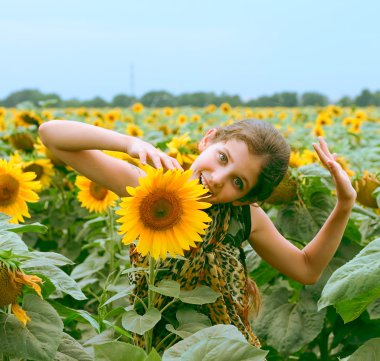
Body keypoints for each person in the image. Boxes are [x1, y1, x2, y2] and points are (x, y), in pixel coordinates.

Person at [38, 119, 357, 349]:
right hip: (150, 341)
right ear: (208, 139)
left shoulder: (244, 217)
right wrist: (130, 144)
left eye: (238, 182)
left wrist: (344, 205)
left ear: (246, 198)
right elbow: (51, 135)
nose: (219, 178)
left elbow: (306, 268)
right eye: (223, 157)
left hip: (220, 350)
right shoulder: (153, 187)